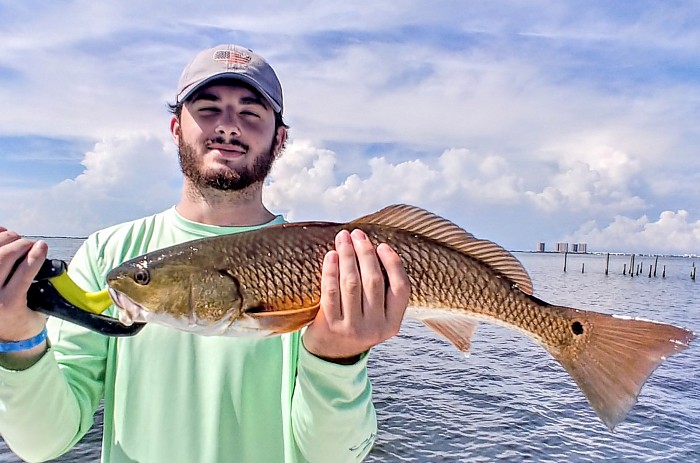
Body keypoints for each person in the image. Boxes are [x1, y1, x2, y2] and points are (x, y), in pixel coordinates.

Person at [0, 44, 410, 463]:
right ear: (176, 127)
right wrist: (18, 337)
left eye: (250, 112)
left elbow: (335, 457)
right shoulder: (108, 253)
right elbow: (42, 443)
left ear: (280, 138)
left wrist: (337, 359)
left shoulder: (330, 265)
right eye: (208, 108)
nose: (228, 126)